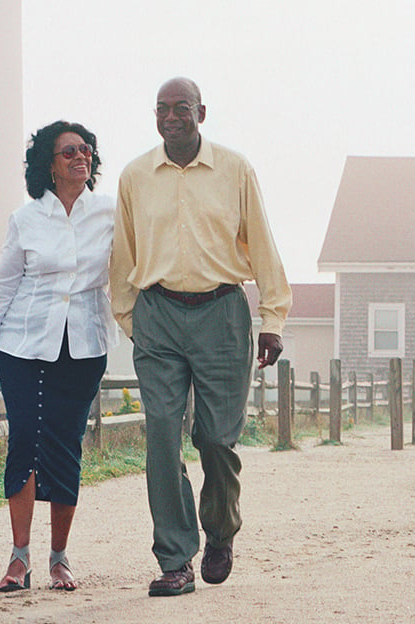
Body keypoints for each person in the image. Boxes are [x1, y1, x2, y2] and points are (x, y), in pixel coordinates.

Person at [110, 77, 292, 596]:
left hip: (223, 314)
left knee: (215, 438)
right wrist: (134, 319)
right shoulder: (134, 176)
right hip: (159, 314)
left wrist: (272, 322)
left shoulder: (235, 169)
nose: (172, 117)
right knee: (163, 436)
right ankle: (174, 558)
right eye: (163, 109)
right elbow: (122, 257)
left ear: (201, 113)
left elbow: (263, 244)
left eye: (182, 108)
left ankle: (220, 529)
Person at [0, 120, 118, 592]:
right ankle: (19, 557)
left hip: (84, 348)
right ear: (48, 165)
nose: (80, 158)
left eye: (86, 150)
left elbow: (129, 271)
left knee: (66, 445)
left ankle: (59, 558)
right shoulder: (25, 219)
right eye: (68, 152)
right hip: (23, 347)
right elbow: (4, 285)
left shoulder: (110, 213)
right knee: (24, 440)